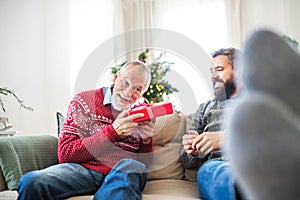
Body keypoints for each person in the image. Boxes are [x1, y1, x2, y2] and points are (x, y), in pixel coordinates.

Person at [17, 61, 155, 200]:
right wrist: (114, 132)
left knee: (132, 166)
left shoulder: (142, 111)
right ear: (116, 77)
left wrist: (146, 140)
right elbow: (65, 154)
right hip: (83, 171)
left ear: (143, 92)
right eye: (125, 82)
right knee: (31, 182)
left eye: (137, 89)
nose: (128, 92)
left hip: (123, 172)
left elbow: (146, 164)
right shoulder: (84, 100)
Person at [179, 48, 243, 200]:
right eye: (211, 71)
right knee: (222, 175)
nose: (213, 76)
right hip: (217, 165)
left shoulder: (257, 102)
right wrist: (191, 151)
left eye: (219, 69)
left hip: (253, 161)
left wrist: (225, 139)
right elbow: (186, 161)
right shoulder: (205, 108)